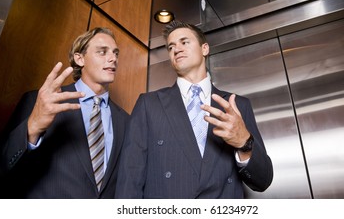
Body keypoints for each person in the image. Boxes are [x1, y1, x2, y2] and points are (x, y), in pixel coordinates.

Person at [115, 20, 273, 198]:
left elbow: (263, 180)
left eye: (184, 42)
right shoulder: (148, 104)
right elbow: (130, 174)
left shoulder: (236, 105)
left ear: (204, 49)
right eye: (171, 47)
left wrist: (245, 143)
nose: (177, 49)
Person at [0, 27, 129, 198]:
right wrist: (32, 127)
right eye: (102, 52)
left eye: (115, 53)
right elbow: (0, 165)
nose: (113, 58)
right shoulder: (42, 101)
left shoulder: (127, 120)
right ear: (80, 59)